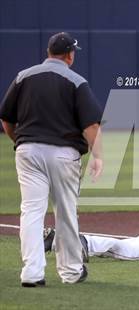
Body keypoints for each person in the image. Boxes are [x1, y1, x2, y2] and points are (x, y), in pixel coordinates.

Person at [0, 32, 103, 287]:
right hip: (63, 154)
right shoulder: (76, 80)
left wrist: (21, 142)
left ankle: (32, 273)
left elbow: (6, 118)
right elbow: (91, 124)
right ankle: (71, 272)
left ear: (49, 52)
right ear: (69, 55)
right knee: (66, 212)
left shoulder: (23, 76)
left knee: (31, 212)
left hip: (28, 151)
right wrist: (98, 155)